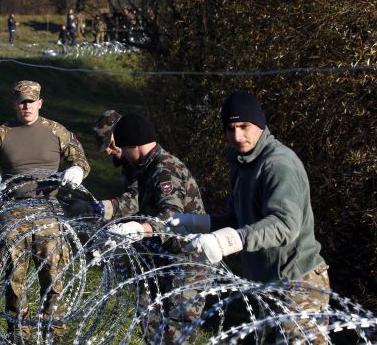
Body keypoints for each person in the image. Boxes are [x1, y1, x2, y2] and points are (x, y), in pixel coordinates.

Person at [167, 91, 331, 343]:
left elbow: (285, 225)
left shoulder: (278, 164)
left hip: (296, 282)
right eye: (230, 128)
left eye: (244, 126)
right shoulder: (242, 164)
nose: (237, 136)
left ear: (260, 124)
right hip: (267, 283)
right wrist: (198, 224)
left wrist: (227, 242)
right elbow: (239, 219)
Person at [0, 80, 90, 341]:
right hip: (13, 212)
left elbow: (80, 158)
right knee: (14, 276)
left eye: (31, 101)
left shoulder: (55, 130)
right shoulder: (1, 133)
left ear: (40, 103)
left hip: (47, 211)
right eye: (22, 101)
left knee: (54, 273)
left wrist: (77, 170)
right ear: (15, 103)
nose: (27, 106)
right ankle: (18, 330)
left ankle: (55, 329)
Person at [109, 113, 206, 344]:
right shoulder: (147, 167)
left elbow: (173, 215)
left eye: (124, 147)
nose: (123, 154)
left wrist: (140, 229)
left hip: (185, 265)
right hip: (163, 261)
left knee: (173, 336)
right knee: (151, 330)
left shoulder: (164, 170)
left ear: (134, 144)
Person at [67, 110, 138, 220]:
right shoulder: (127, 163)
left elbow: (137, 201)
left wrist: (97, 208)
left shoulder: (144, 162)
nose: (108, 151)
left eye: (109, 144)